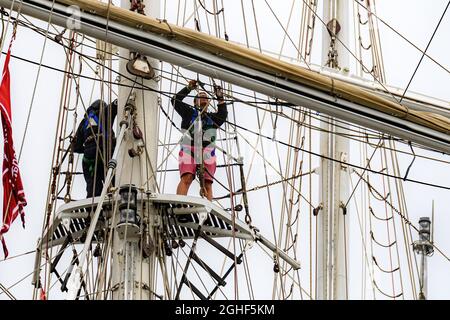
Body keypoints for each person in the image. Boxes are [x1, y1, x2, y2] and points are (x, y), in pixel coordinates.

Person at [171, 80, 227, 201]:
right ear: (195, 101)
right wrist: (188, 88)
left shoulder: (212, 118)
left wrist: (220, 98)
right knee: (187, 177)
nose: (203, 98)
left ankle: (207, 210)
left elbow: (223, 114)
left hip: (207, 151)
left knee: (208, 183)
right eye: (200, 97)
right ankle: (180, 204)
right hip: (188, 148)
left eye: (205, 97)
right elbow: (175, 101)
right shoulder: (188, 113)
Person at [72, 99, 118, 198]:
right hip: (104, 153)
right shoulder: (104, 113)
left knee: (93, 187)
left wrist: (88, 146)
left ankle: (92, 210)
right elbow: (114, 107)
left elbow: (75, 147)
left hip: (89, 159)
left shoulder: (84, 122)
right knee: (113, 181)